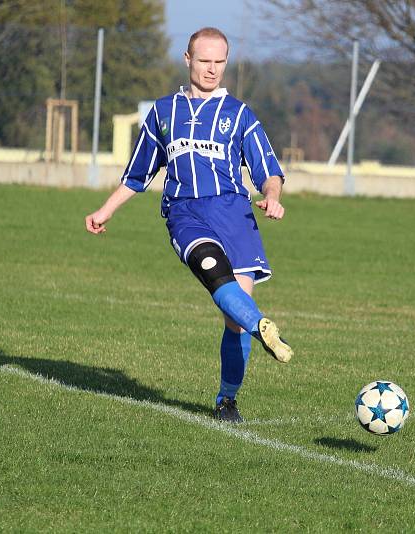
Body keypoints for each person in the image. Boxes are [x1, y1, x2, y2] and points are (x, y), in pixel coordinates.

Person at [85, 27, 292, 423]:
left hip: (235, 214)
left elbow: (269, 171)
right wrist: (106, 210)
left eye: (219, 62)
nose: (212, 69)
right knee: (213, 273)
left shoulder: (240, 114)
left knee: (234, 319)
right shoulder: (163, 112)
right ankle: (262, 325)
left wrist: (274, 198)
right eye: (204, 61)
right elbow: (137, 174)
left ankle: (227, 399)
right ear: (187, 59)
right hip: (185, 213)